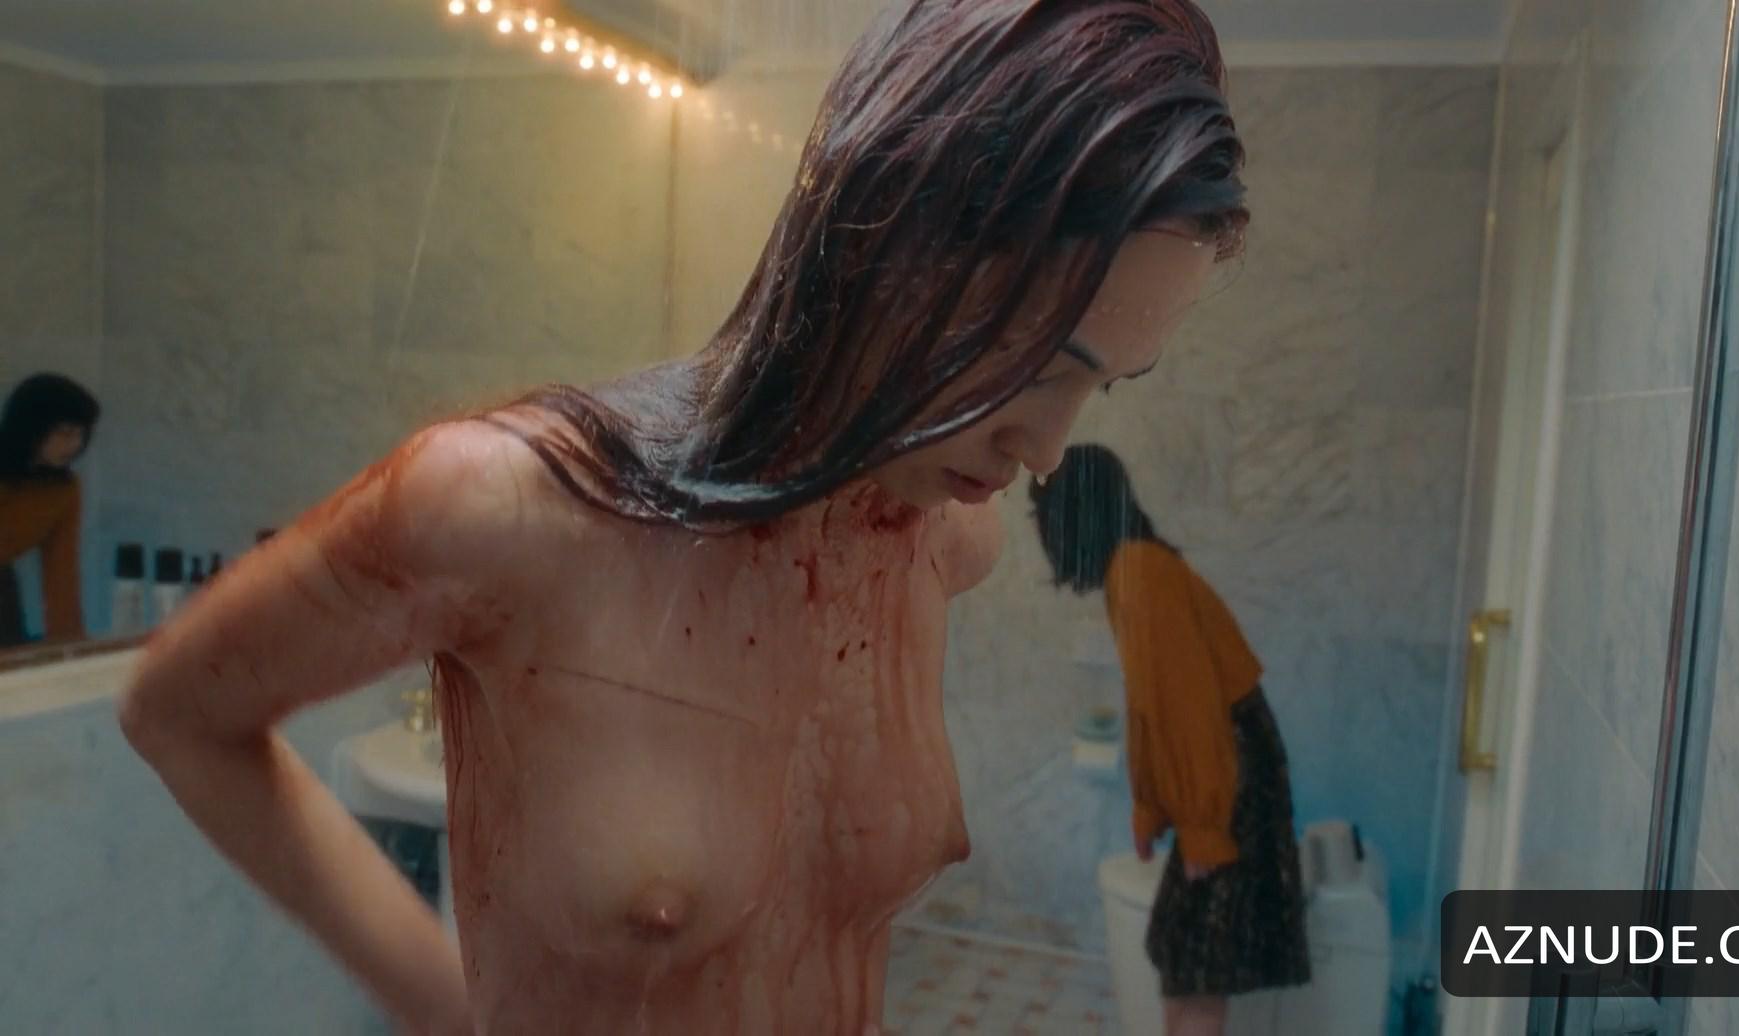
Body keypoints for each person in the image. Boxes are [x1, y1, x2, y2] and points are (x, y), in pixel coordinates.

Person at [118, 1, 1247, 1032]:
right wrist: (441, 1005)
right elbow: (177, 711)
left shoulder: (943, 541)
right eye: (1040, 364)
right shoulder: (508, 508)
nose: (1046, 452)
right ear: (891, 242)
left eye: (1104, 387)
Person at [1029, 443, 1309, 1036]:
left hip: (1229, 776)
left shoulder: (1140, 575)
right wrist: (1152, 806)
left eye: (1044, 514)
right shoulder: (1134, 569)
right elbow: (1153, 707)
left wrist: (1203, 827)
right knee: (1183, 958)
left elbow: (1187, 712)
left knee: (1199, 966)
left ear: (1072, 516)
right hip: (1231, 765)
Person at [0, 372, 99, 648]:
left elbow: (61, 576)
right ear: (33, 427)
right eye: (64, 433)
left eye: (80, 434)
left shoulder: (64, 490)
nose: (74, 445)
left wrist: (70, 648)